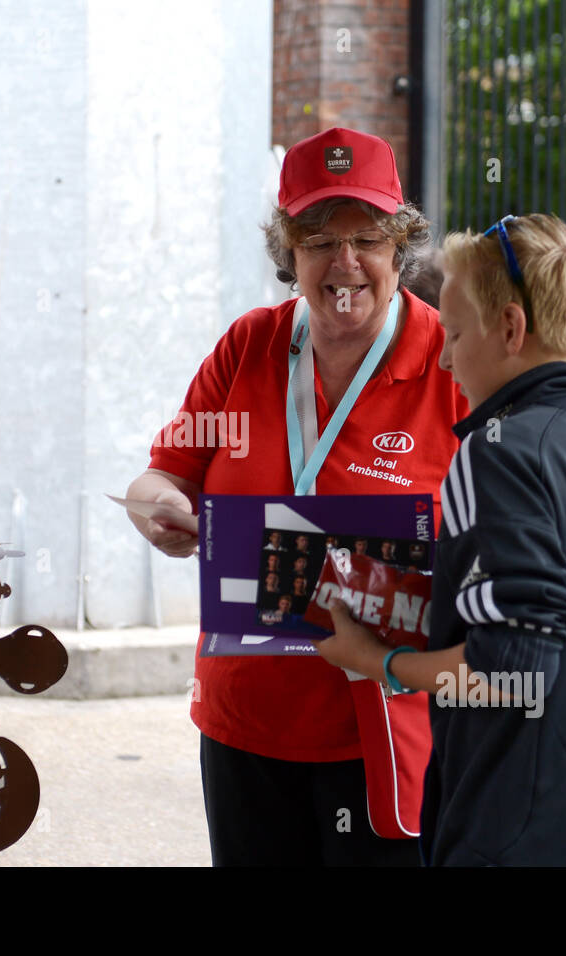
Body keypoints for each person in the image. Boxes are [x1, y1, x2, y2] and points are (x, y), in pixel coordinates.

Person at [126, 127, 469, 865]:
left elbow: (497, 547)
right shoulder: (247, 346)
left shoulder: (450, 362)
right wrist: (158, 507)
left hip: (380, 727)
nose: (345, 263)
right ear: (289, 253)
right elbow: (165, 471)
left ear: (400, 245)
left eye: (367, 238)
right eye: (318, 240)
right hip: (245, 721)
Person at [316, 213, 566, 865]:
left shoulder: (493, 451)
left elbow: (512, 667)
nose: (444, 357)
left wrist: (377, 661)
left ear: (511, 330)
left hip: (519, 834)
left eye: (456, 333)